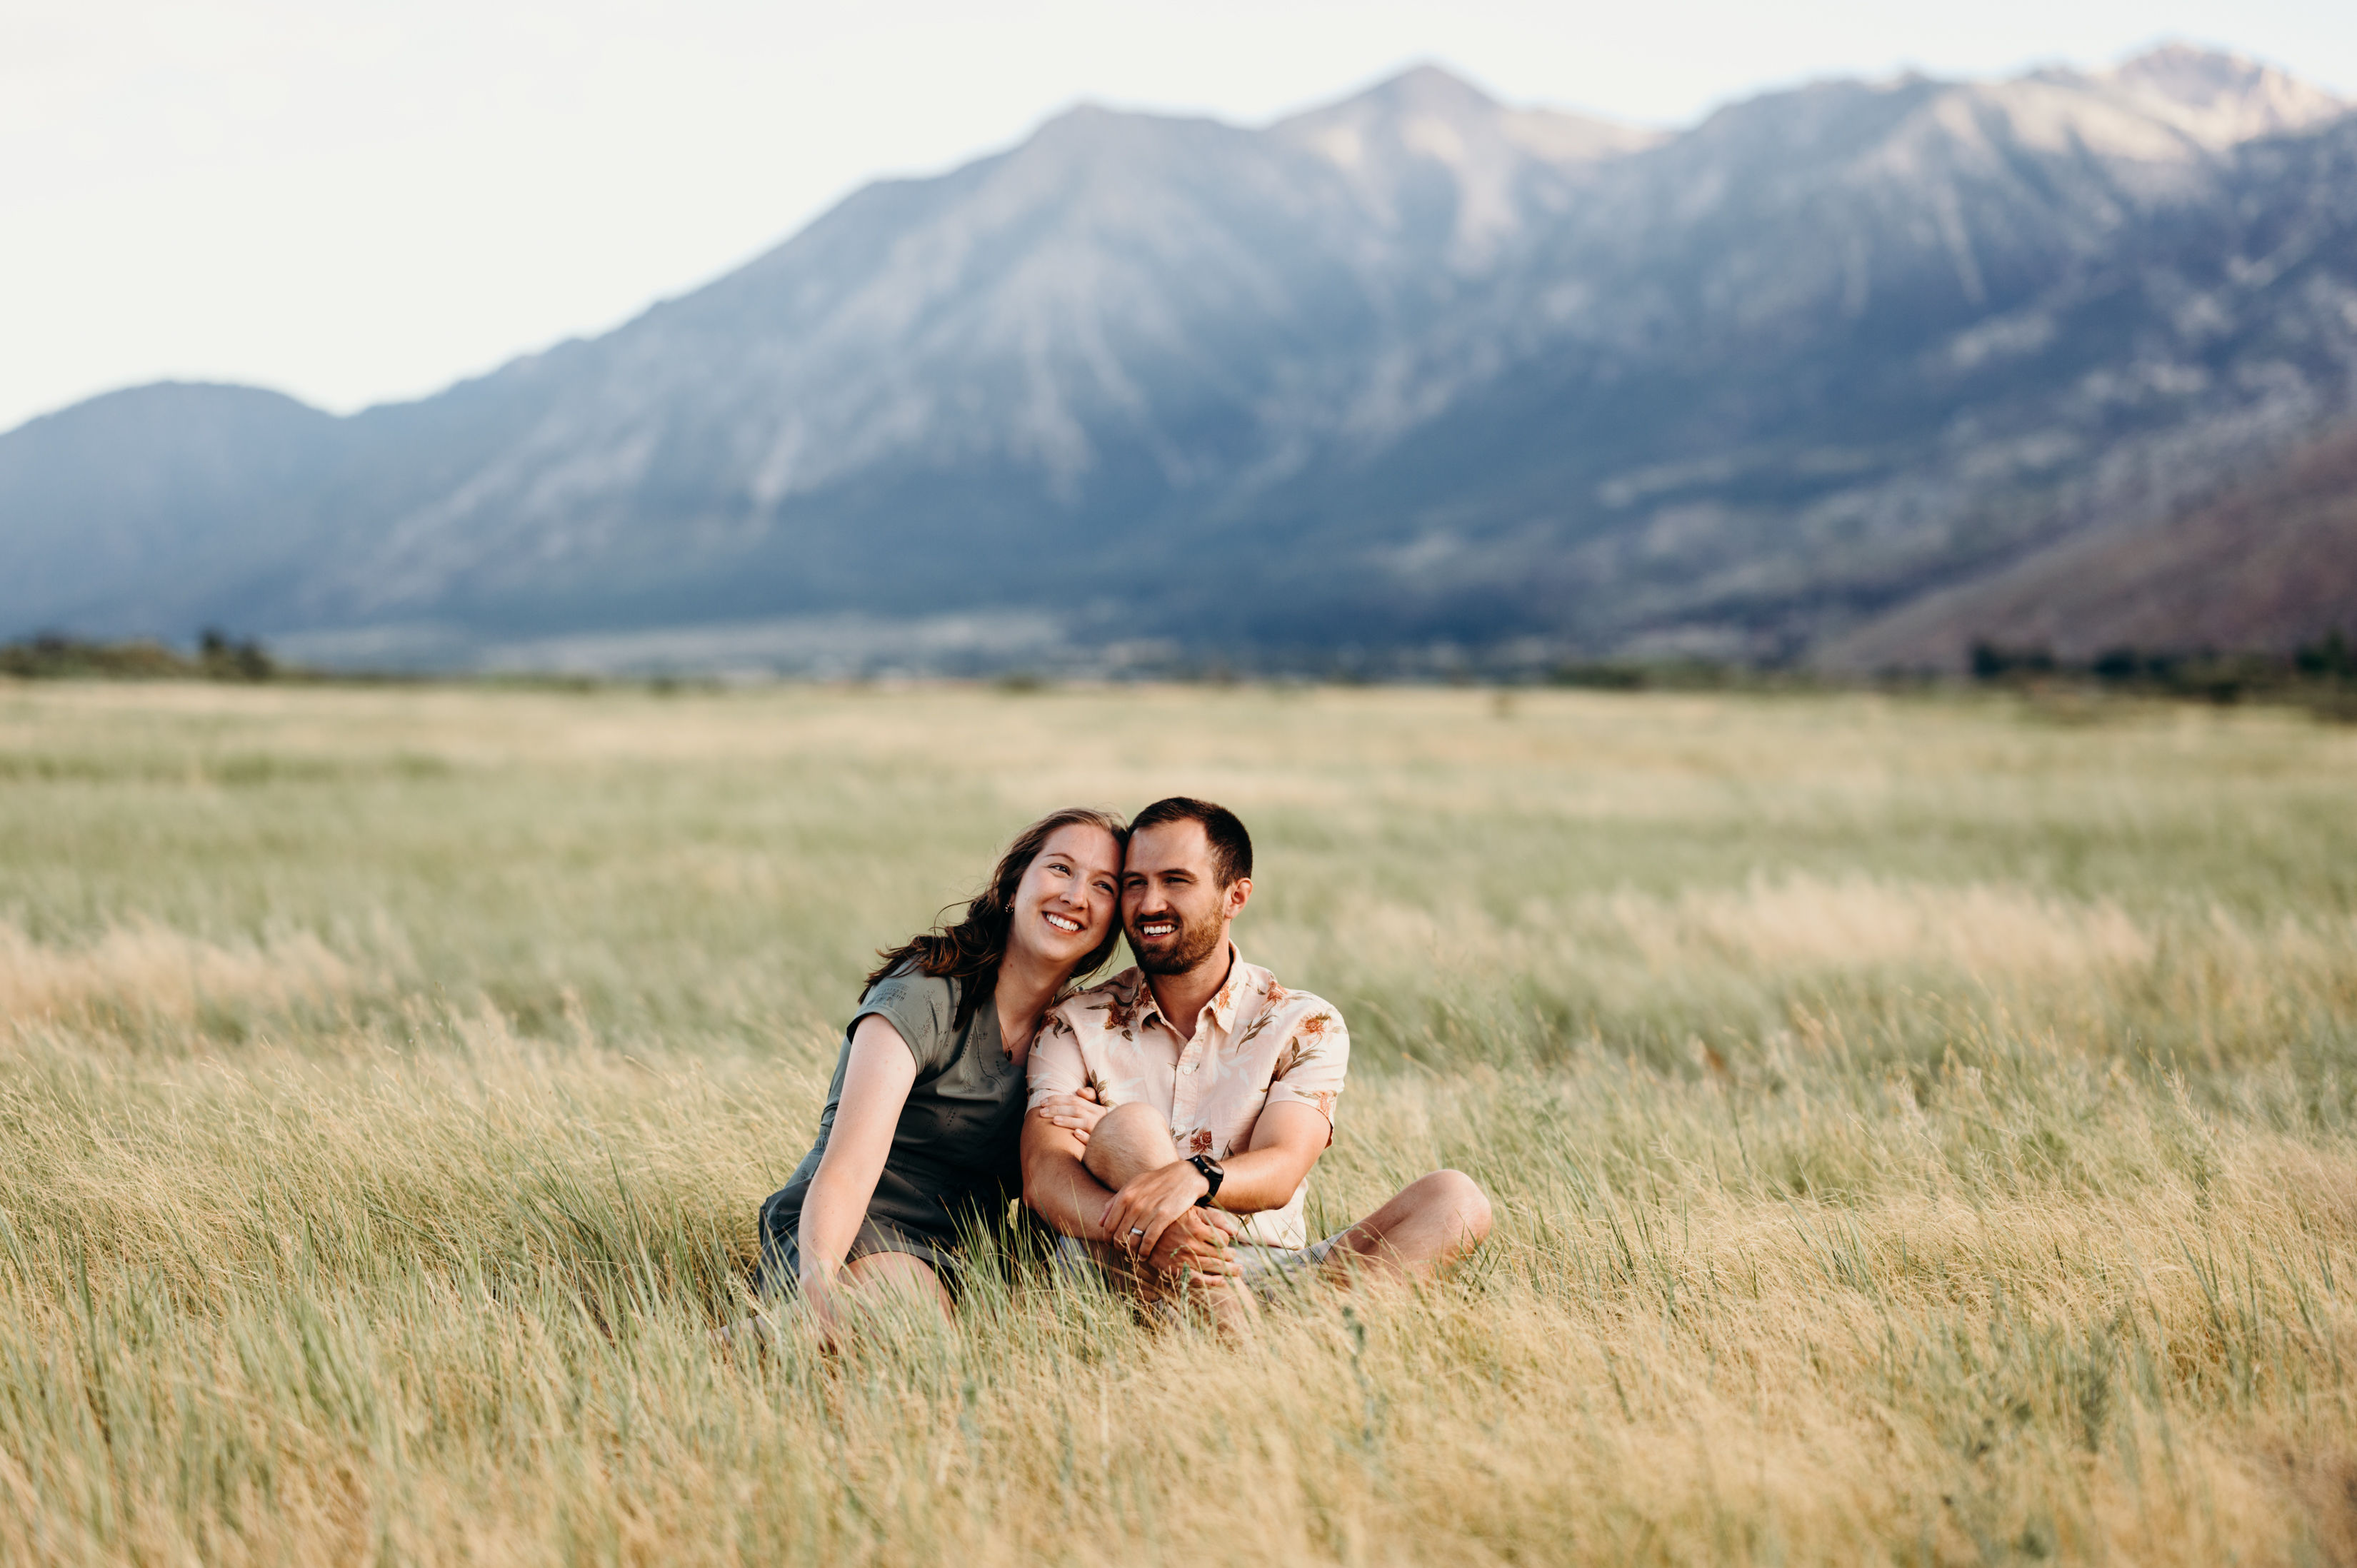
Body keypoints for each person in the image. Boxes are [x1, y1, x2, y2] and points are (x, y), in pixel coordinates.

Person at [1021, 797, 1491, 1327]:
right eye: (1135, 883)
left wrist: (1196, 1176)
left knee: (1456, 1199)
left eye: (1176, 881)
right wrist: (1160, 1228)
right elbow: (1045, 1176)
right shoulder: (1075, 1021)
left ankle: (1288, 1336)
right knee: (1129, 1127)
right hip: (1123, 1263)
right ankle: (1247, 1343)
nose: (1150, 903)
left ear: (1235, 896)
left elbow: (1283, 1168)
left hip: (1275, 1271)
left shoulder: (1302, 1023)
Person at [756, 808, 1127, 1338]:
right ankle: (724, 1352)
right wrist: (819, 1291)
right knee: (910, 1318)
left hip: (968, 1263)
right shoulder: (925, 990)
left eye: (1103, 886)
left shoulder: (1075, 1036)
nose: (1076, 896)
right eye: (1061, 869)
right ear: (1013, 885)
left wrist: (1093, 1130)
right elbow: (847, 1166)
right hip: (848, 1233)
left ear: (1111, 924)